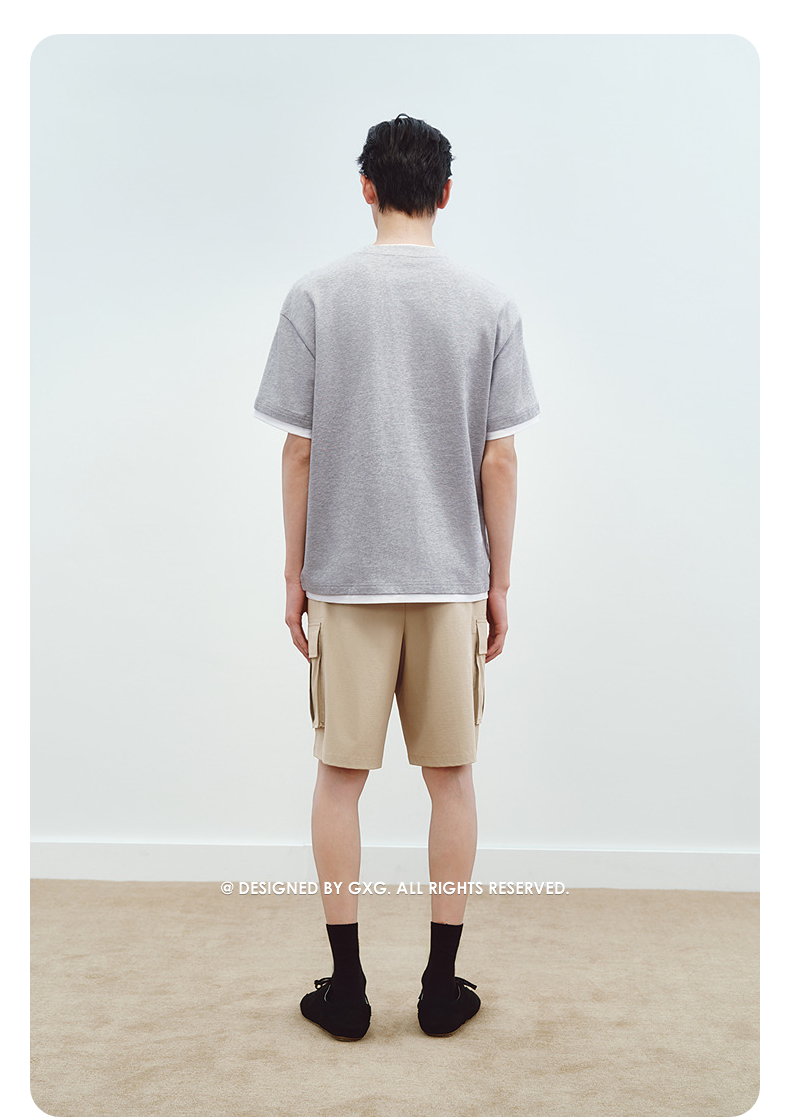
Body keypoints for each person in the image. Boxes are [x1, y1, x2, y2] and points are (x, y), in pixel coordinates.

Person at [253, 113, 540, 1041]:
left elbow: (299, 451)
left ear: (367, 188)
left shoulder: (316, 295)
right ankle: (440, 989)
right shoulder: (489, 303)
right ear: (446, 193)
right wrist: (498, 584)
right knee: (450, 780)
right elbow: (500, 460)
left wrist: (294, 573)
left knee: (339, 779)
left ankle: (346, 991)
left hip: (347, 577)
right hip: (451, 578)